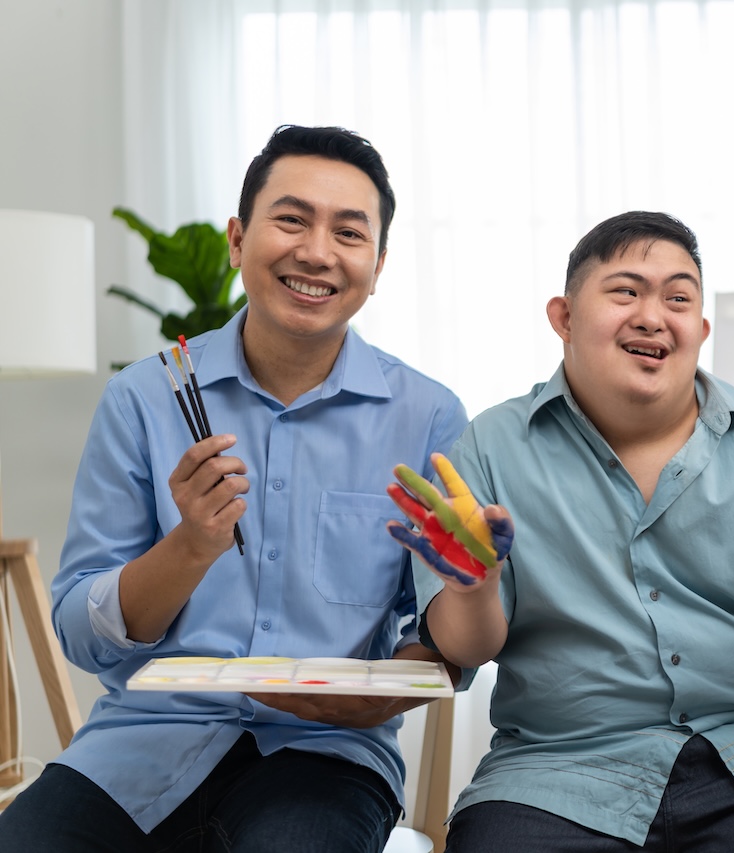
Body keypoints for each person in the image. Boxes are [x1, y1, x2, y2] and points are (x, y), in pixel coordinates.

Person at [0, 125, 468, 852]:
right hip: (140, 746)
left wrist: (386, 686)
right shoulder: (145, 397)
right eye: (291, 219)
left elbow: (441, 629)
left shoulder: (429, 416)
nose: (315, 251)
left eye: (348, 232)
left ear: (377, 267)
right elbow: (78, 633)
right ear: (237, 239)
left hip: (326, 759)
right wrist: (190, 546)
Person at [385, 211, 734, 852]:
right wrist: (473, 588)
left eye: (678, 299)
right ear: (564, 317)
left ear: (700, 330)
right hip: (555, 775)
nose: (653, 316)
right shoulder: (491, 447)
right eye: (625, 291)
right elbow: (469, 647)